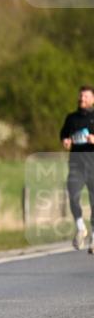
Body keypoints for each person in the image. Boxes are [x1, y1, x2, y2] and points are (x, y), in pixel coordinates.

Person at [60, 85, 94, 254]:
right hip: (76, 166)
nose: (82, 99)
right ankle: (81, 228)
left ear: (92, 99)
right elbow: (64, 134)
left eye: (86, 97)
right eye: (81, 96)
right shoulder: (71, 118)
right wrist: (65, 141)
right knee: (72, 195)